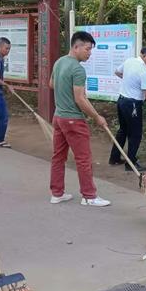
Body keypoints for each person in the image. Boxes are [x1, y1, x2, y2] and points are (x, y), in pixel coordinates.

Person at [49, 31, 111, 207]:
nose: (89, 53)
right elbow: (80, 99)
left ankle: (57, 193)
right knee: (83, 158)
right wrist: (97, 117)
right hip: (73, 120)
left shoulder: (59, 62)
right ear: (76, 47)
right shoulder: (77, 69)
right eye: (87, 48)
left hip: (58, 117)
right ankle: (89, 196)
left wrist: (66, 91)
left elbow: (52, 84)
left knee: (58, 157)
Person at [109, 46, 146, 172]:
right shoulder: (144, 72)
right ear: (144, 56)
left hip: (121, 101)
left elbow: (117, 72)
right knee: (135, 134)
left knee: (123, 130)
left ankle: (114, 158)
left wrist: (129, 80)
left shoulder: (129, 61)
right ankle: (130, 163)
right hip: (132, 105)